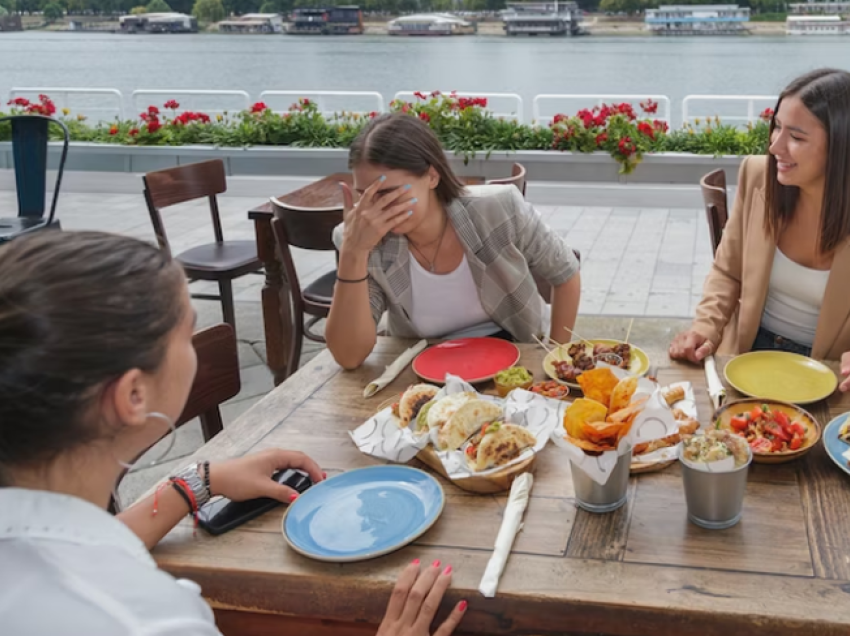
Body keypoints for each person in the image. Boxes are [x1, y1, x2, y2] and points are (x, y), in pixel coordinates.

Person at [0, 231, 466, 636]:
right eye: (187, 334)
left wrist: (194, 484)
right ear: (133, 396)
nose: (195, 349)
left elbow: (74, 545)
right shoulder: (145, 618)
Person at [325, 113, 581, 370]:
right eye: (365, 196)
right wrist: (353, 254)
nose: (375, 210)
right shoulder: (363, 242)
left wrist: (555, 360)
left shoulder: (498, 208)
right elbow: (349, 356)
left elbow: (566, 272)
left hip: (516, 360)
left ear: (432, 177)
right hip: (424, 372)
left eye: (388, 193)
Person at [669, 68, 850, 391]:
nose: (775, 146)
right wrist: (705, 328)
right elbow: (728, 271)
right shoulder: (757, 176)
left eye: (796, 137)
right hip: (744, 356)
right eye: (777, 127)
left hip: (829, 375)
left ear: (841, 147)